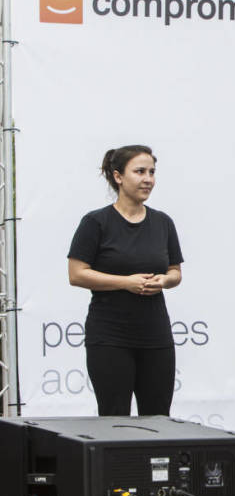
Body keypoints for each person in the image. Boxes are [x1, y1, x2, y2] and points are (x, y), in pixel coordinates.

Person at [67, 145, 183, 417]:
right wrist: (125, 282)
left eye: (152, 172)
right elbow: (77, 274)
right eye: (140, 171)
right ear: (118, 177)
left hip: (156, 335)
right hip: (110, 336)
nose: (148, 179)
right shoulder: (96, 222)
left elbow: (175, 272)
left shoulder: (163, 222)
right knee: (114, 417)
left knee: (158, 418)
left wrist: (164, 281)